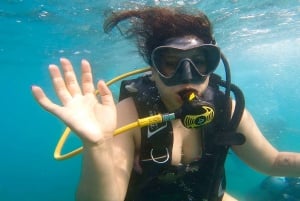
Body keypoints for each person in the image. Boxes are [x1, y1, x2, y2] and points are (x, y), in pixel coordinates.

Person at [31, 7, 300, 201]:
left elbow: (273, 162)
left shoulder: (225, 108)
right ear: (153, 69)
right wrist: (97, 146)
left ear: (212, 63)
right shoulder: (131, 113)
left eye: (200, 61)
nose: (187, 77)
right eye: (170, 63)